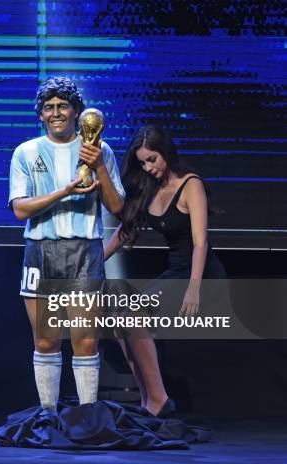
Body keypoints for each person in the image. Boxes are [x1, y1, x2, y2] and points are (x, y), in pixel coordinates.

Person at [9, 76, 124, 415]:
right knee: (46, 340)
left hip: (83, 251)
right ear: (40, 114)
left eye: (62, 106)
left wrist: (99, 165)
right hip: (41, 252)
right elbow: (19, 209)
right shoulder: (25, 152)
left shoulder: (100, 150)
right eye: (49, 107)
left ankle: (88, 414)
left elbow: (118, 207)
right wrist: (65, 191)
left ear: (77, 111)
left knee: (85, 341)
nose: (56, 112)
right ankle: (48, 415)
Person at [103, 124, 226, 417]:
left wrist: (194, 289)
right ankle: (147, 399)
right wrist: (95, 259)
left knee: (132, 314)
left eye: (152, 159)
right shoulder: (150, 188)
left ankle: (159, 399)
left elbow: (201, 243)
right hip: (177, 272)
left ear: (166, 152)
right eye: (142, 162)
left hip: (202, 274)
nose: (148, 167)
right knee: (122, 321)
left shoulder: (190, 184)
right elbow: (125, 230)